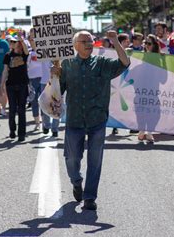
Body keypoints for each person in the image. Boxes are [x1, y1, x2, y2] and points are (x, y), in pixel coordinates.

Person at [53, 30, 130, 211]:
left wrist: (115, 41)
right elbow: (57, 93)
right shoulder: (68, 65)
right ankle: (76, 181)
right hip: (74, 120)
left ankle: (89, 198)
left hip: (97, 119)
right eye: (85, 41)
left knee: (95, 161)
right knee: (72, 158)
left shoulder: (102, 63)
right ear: (75, 45)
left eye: (91, 40)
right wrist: (54, 75)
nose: (89, 43)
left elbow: (125, 63)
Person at [2, 32, 29, 141]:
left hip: (22, 84)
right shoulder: (8, 55)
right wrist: (1, 84)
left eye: (16, 42)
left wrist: (21, 40)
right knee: (12, 109)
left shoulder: (24, 55)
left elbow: (27, 51)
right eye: (13, 42)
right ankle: (12, 130)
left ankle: (21, 133)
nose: (14, 44)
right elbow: (5, 71)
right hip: (11, 85)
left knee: (21, 109)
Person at [137, 34, 159, 143]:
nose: (146, 45)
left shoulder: (159, 57)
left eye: (149, 43)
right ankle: (141, 130)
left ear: (154, 45)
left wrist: (164, 61)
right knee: (141, 111)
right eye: (145, 43)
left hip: (154, 88)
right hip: (141, 87)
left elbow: (163, 78)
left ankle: (149, 132)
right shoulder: (139, 55)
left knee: (153, 112)